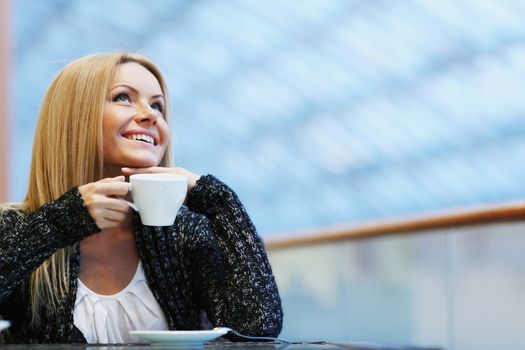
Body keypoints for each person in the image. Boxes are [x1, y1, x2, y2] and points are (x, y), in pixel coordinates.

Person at [0, 52, 283, 344]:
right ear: (73, 118)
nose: (152, 115)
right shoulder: (13, 227)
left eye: (157, 105)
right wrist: (61, 223)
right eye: (123, 97)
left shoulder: (186, 232)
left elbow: (257, 329)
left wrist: (220, 202)